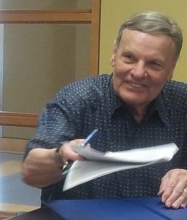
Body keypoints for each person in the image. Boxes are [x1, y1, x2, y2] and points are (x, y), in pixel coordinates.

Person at [21, 11, 187, 208]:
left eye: (154, 64)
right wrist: (59, 156)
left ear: (170, 69)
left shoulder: (182, 102)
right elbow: (30, 174)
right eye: (129, 58)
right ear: (114, 56)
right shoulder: (77, 99)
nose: (138, 72)